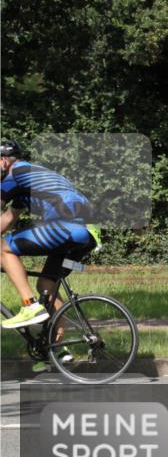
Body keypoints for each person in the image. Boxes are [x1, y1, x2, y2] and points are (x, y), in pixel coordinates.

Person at [1, 140, 99, 368]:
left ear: (3, 161)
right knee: (47, 284)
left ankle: (29, 306)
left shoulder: (15, 173)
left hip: (67, 227)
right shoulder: (30, 180)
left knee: (3, 248)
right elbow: (6, 220)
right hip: (85, 235)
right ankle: (57, 349)